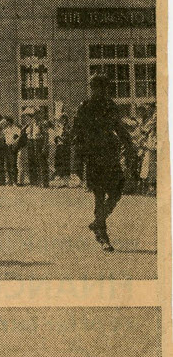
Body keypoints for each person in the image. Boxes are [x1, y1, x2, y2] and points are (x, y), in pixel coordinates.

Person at [72, 73, 137, 252]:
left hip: (110, 154)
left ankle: (98, 222)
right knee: (99, 196)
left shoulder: (110, 106)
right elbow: (76, 134)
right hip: (93, 157)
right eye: (97, 87)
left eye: (103, 88)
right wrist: (78, 160)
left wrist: (129, 145)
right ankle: (102, 234)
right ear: (93, 88)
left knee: (117, 192)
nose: (101, 91)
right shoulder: (84, 107)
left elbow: (119, 127)